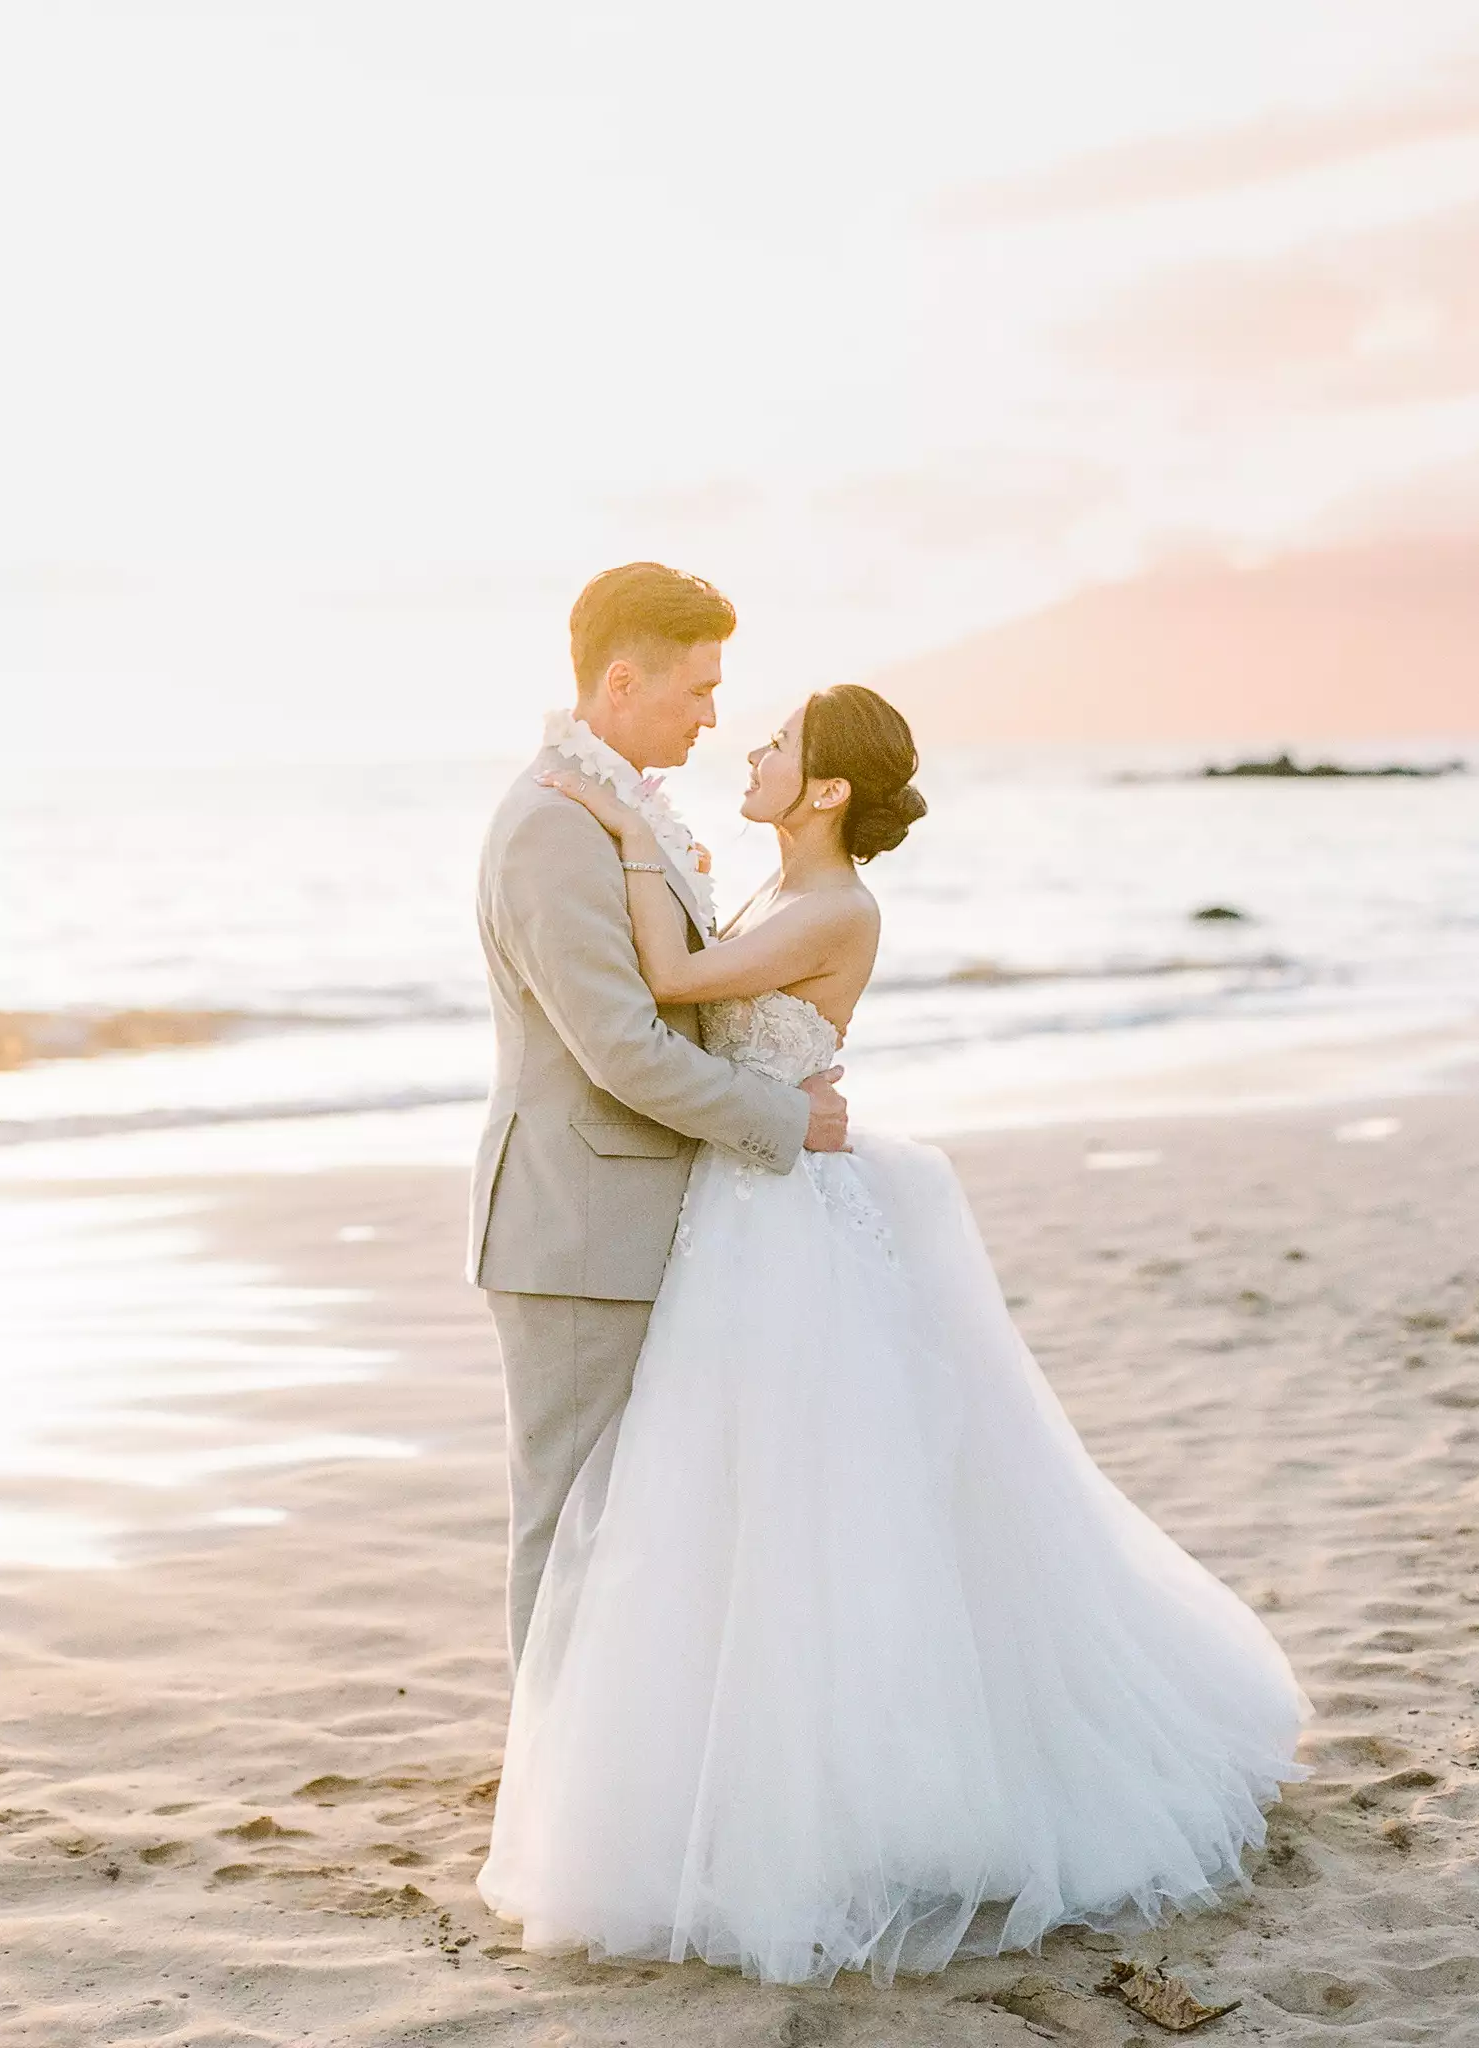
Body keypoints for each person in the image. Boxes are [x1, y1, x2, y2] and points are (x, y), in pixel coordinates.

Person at [475, 678, 1316, 1987]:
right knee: (735, 1510)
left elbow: (674, 979)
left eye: (779, 744)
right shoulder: (782, 889)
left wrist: (629, 828)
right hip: (743, 1209)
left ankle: (816, 1789)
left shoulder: (834, 904)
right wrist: (660, 843)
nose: (750, 746)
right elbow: (706, 994)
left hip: (778, 1223)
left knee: (813, 1514)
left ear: (825, 791)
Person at [466, 562, 850, 1669]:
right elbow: (621, 1048)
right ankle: (548, 1788)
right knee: (571, 1517)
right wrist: (785, 1116)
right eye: (697, 689)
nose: (714, 716)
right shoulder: (552, 826)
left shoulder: (612, 810)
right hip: (576, 1225)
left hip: (628, 1214)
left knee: (629, 1516)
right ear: (622, 681)